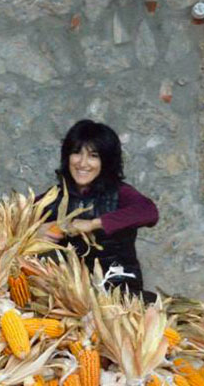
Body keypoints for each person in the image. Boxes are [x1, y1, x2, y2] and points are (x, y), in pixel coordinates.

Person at [48, 119, 159, 299]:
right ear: (67, 157)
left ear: (106, 161)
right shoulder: (55, 197)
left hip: (121, 290)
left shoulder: (120, 193)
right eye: (76, 153)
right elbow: (20, 224)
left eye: (93, 155)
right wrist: (38, 231)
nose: (83, 163)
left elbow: (148, 211)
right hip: (73, 296)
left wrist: (93, 223)